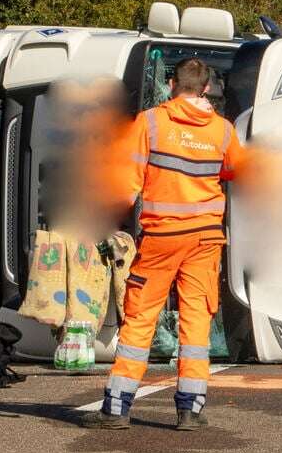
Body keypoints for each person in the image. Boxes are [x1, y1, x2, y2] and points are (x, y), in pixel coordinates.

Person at [79, 57, 245, 432]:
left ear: (171, 84)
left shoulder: (151, 122)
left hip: (161, 238)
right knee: (196, 321)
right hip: (204, 239)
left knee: (140, 319)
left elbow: (127, 182)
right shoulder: (221, 130)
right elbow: (236, 170)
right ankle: (190, 409)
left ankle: (117, 407)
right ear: (206, 89)